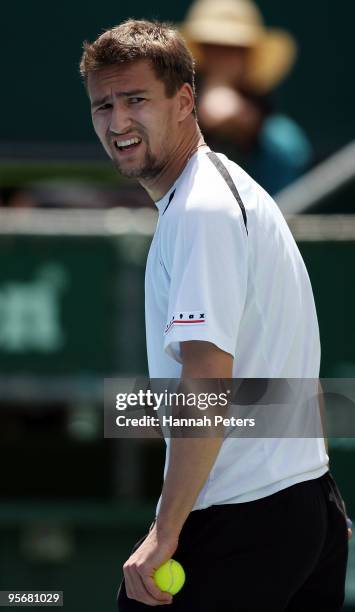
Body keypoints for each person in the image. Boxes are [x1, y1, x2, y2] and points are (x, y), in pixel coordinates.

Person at [80, 19, 349, 611]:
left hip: (242, 525)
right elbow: (290, 375)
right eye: (103, 104)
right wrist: (322, 501)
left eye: (136, 100)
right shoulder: (232, 194)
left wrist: (166, 530)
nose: (117, 121)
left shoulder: (201, 212)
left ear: (184, 101)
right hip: (300, 510)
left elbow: (207, 377)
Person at [180, 0, 313, 195]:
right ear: (201, 52)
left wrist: (247, 126)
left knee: (284, 140)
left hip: (261, 212)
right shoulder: (177, 99)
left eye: (233, 48)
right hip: (186, 213)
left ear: (248, 55)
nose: (222, 56)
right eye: (213, 46)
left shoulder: (271, 123)